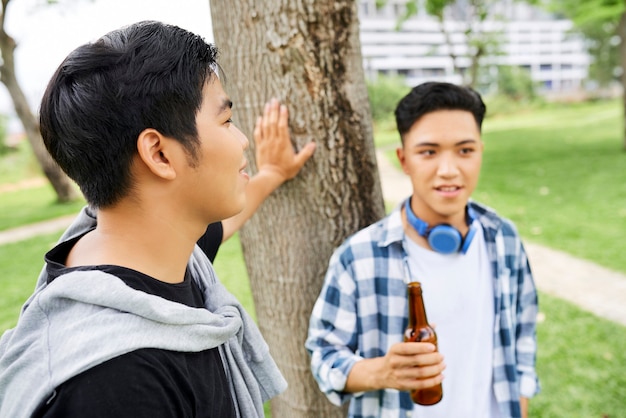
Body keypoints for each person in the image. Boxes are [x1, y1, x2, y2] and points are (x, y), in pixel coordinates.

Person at [0, 20, 308, 418]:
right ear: (159, 154)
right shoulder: (116, 385)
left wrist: (272, 175)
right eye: (226, 121)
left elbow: (213, 232)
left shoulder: (143, 246)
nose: (243, 139)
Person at [305, 81, 540, 418]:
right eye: (429, 152)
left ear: (480, 152)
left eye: (465, 150)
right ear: (404, 159)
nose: (449, 170)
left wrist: (520, 406)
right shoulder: (359, 257)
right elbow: (323, 355)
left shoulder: (504, 239)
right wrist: (381, 372)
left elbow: (523, 338)